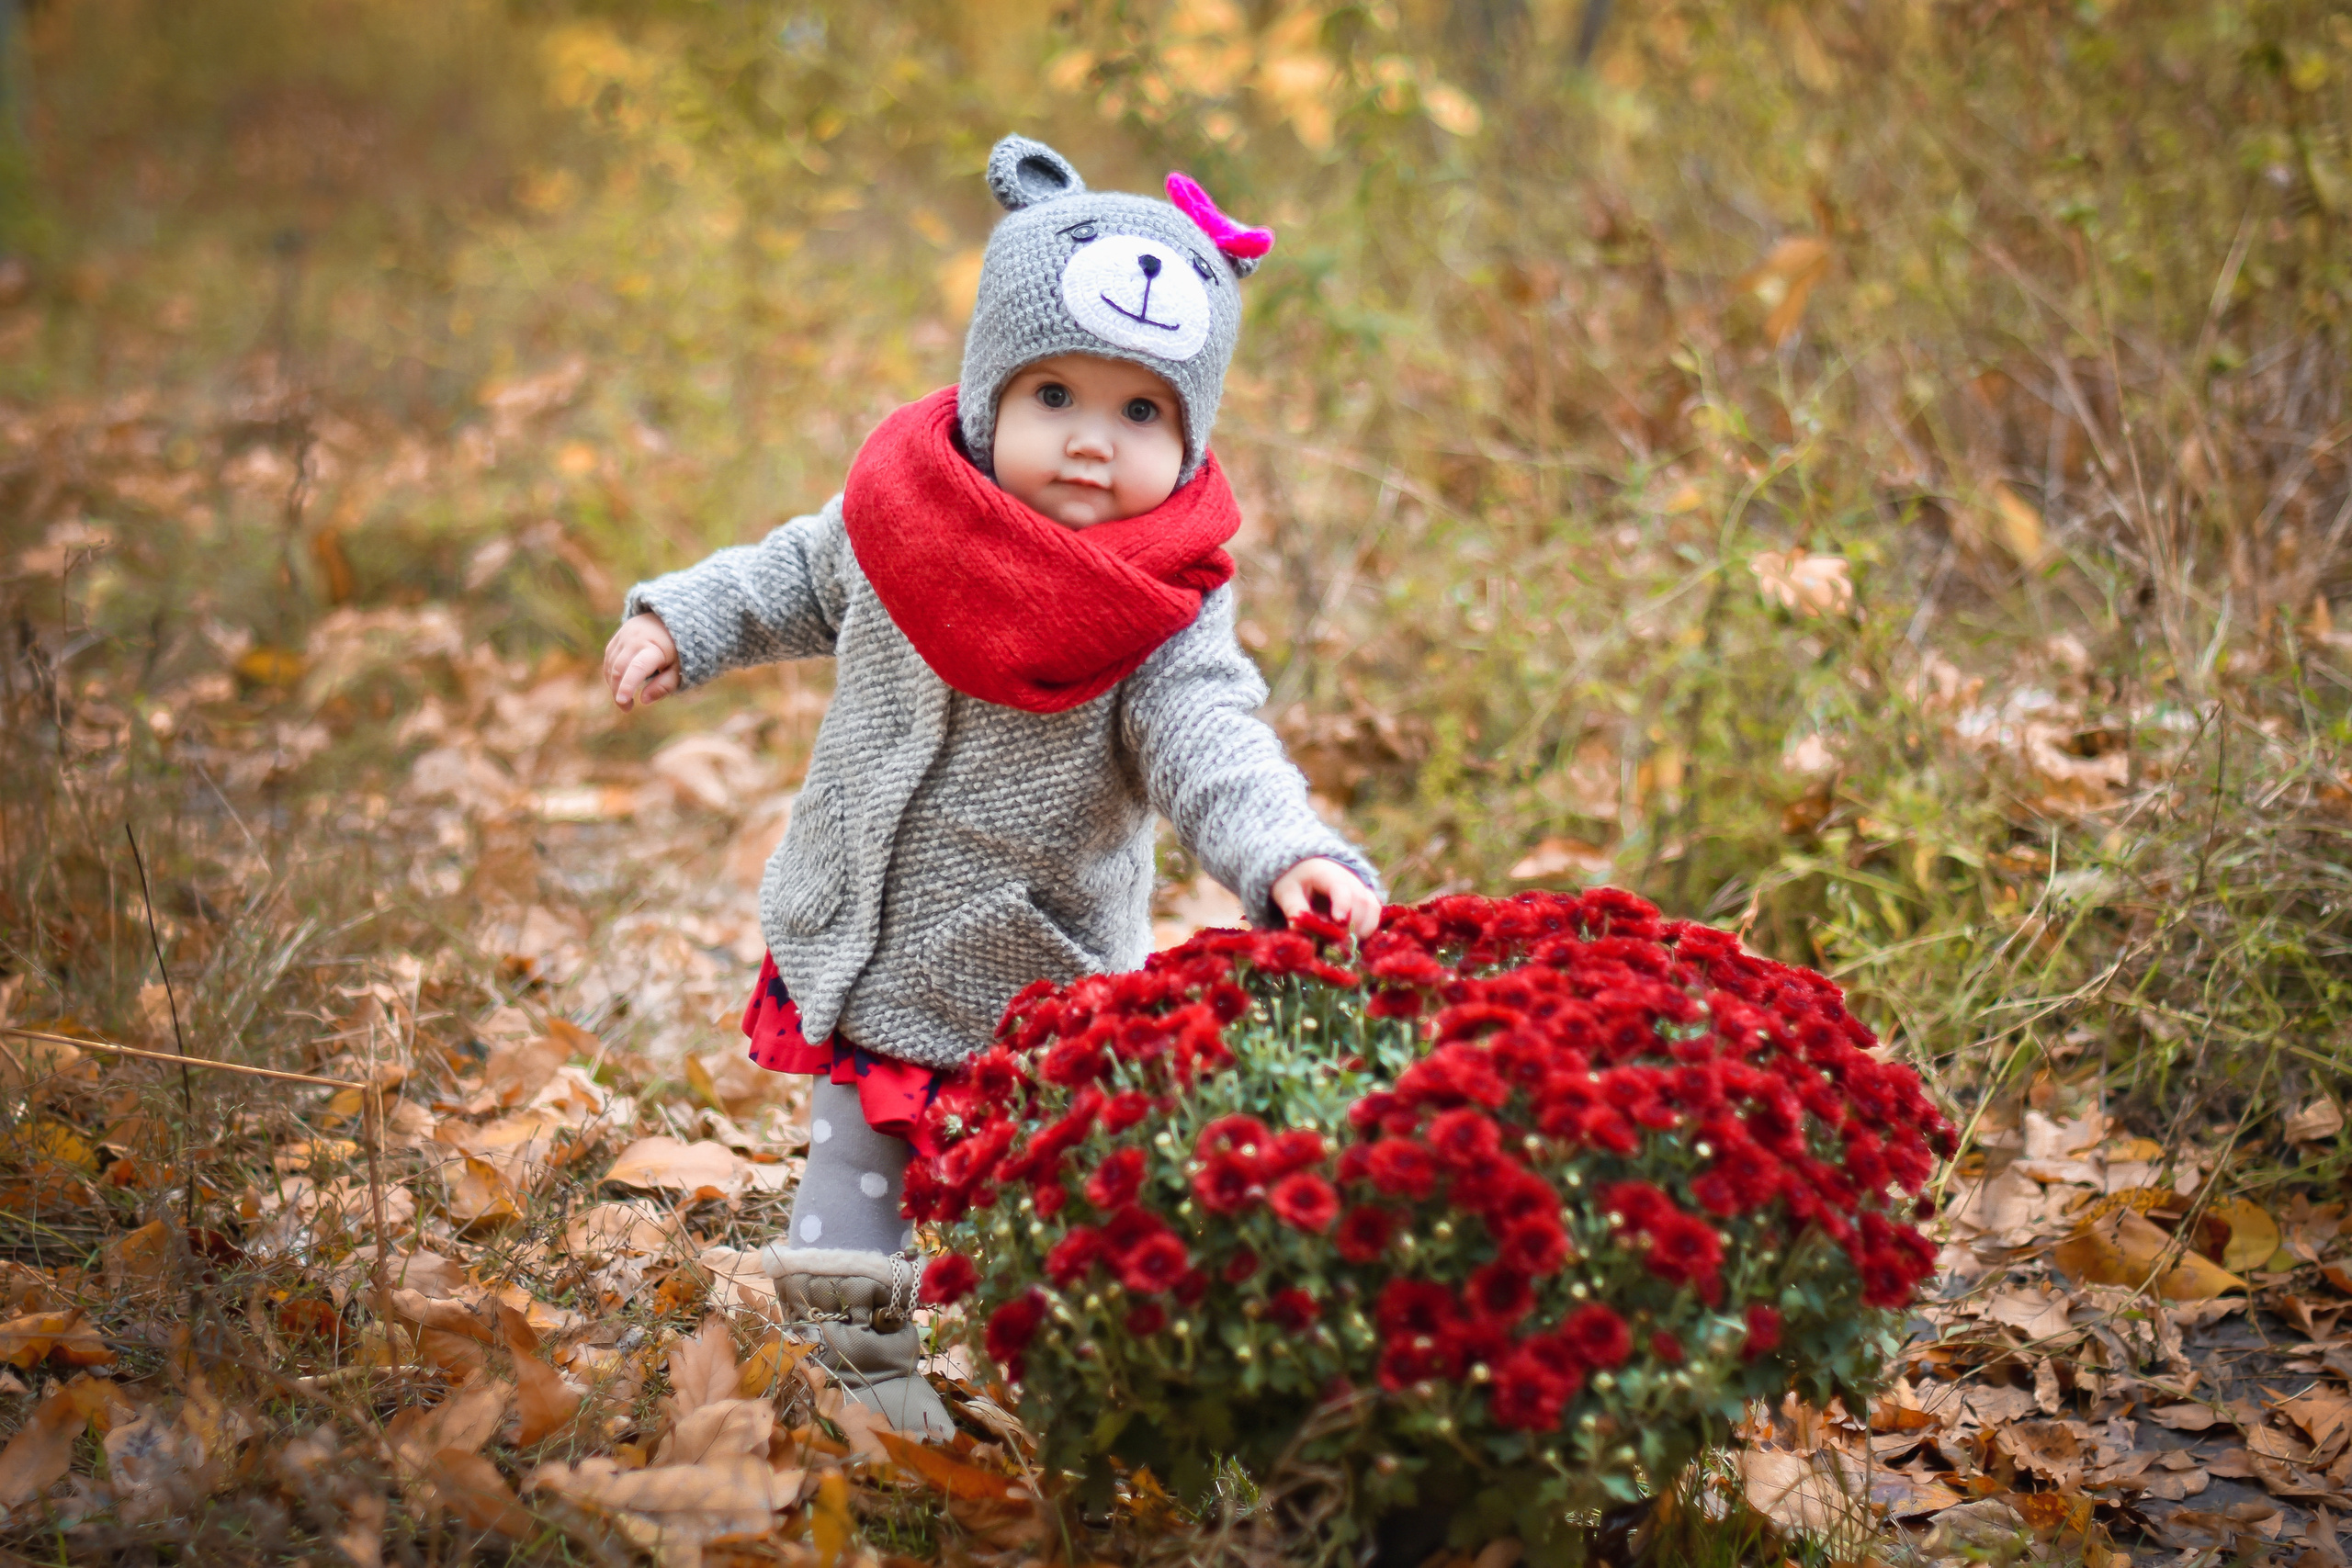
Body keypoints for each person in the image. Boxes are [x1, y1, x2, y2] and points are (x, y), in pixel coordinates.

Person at [602, 135, 1381, 1436]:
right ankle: (860, 1373)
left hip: (1034, 969)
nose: (1091, 443)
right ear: (987, 393)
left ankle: (1070, 1391)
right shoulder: (901, 516)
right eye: (1055, 395)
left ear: (1191, 434)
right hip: (865, 928)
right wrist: (683, 620)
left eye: (1141, 414)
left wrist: (1284, 850)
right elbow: (789, 576)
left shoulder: (1164, 605)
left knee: (1039, 1198)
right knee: (857, 1158)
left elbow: (1211, 737)